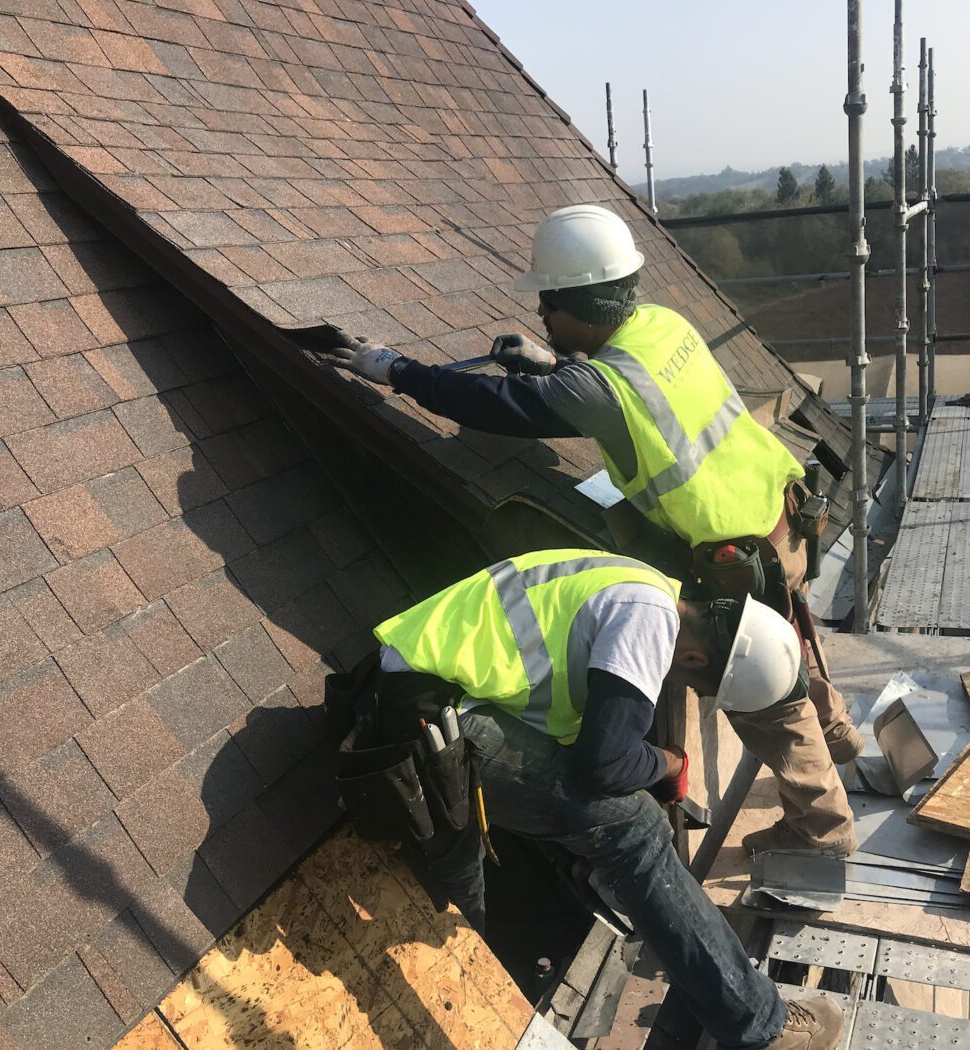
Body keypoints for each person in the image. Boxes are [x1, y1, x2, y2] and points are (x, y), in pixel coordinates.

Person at [334, 204, 857, 856]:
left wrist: (397, 371)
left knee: (768, 702)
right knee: (793, 644)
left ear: (578, 305)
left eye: (547, 307)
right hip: (785, 515)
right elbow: (621, 392)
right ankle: (841, 735)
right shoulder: (661, 324)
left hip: (741, 564)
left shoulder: (601, 384)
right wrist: (552, 367)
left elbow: (494, 405)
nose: (542, 320)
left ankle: (824, 834)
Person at [363, 548, 845, 1050]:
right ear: (697, 657)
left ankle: (476, 986)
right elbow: (604, 764)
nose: (681, 685)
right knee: (634, 828)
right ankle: (762, 1027)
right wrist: (670, 763)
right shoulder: (648, 622)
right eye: (696, 683)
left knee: (466, 887)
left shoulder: (648, 585)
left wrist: (646, 763)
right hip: (435, 717)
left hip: (430, 695)